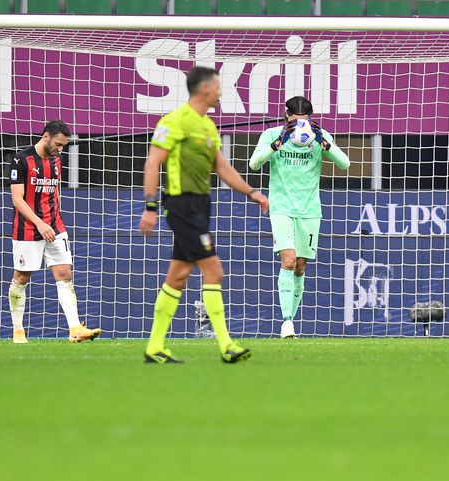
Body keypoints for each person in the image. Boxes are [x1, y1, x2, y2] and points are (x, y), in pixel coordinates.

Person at [140, 66, 270, 364]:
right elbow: (153, 162)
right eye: (218, 86)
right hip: (181, 205)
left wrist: (252, 193)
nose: (221, 92)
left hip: (201, 205)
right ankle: (226, 345)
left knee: (178, 277)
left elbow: (222, 167)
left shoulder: (208, 126)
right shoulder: (174, 120)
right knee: (214, 271)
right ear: (204, 89)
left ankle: (154, 347)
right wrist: (150, 208)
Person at [248, 96, 350, 339]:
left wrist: (325, 143)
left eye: (304, 121)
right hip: (281, 208)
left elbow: (345, 164)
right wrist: (277, 144)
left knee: (300, 266)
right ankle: (287, 322)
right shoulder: (272, 134)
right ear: (286, 116)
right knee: (289, 260)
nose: (300, 126)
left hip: (310, 210)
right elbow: (253, 164)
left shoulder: (319, 136)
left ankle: (290, 320)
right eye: (295, 121)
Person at [7, 120, 101, 344]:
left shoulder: (57, 160)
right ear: (46, 136)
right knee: (21, 277)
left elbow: (53, 192)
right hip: (28, 228)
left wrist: (52, 219)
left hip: (55, 226)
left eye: (63, 146)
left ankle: (75, 329)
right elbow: (17, 199)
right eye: (58, 144)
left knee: (65, 273)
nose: (60, 149)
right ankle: (18, 331)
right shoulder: (21, 160)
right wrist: (39, 223)